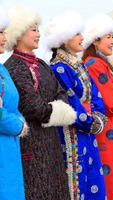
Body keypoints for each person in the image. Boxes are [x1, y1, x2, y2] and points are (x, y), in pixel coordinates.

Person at [4, 4, 76, 199]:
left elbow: (60, 91)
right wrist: (57, 111)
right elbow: (29, 104)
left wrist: (56, 108)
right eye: (33, 29)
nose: (38, 34)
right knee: (38, 190)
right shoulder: (14, 66)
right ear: (18, 34)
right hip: (31, 142)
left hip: (50, 140)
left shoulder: (42, 64)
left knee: (55, 189)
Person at [44, 11, 108, 200]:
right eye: (77, 34)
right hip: (73, 131)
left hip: (88, 130)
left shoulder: (78, 65)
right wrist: (90, 122)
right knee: (77, 180)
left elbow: (96, 94)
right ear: (64, 40)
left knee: (93, 177)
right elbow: (70, 102)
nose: (82, 38)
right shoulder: (59, 68)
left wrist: (98, 117)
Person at [81, 14, 113, 200]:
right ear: (95, 40)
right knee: (112, 181)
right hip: (107, 129)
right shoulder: (94, 64)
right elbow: (111, 100)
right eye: (108, 36)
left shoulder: (101, 62)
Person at [0, 6, 28, 199]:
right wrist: (18, 125)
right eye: (0, 32)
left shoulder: (2, 69)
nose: (4, 37)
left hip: (8, 146)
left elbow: (12, 105)